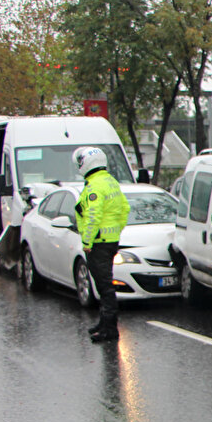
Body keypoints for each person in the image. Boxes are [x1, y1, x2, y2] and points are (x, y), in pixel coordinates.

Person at [73, 146, 130, 343]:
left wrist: (87, 242)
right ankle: (104, 323)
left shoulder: (94, 186)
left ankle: (110, 329)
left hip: (98, 244)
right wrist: (115, 230)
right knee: (104, 285)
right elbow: (125, 208)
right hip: (110, 241)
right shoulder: (110, 181)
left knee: (105, 287)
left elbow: (93, 216)